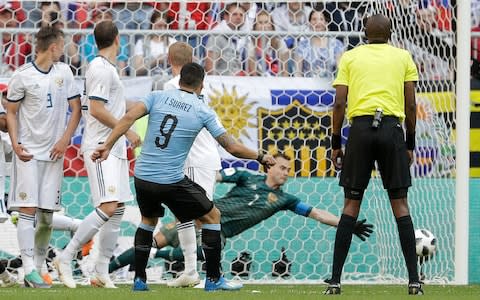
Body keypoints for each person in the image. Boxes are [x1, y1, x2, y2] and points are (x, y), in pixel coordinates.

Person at [91, 62, 275, 292]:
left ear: (179, 80)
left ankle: (139, 280)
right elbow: (233, 148)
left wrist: (107, 145)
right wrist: (260, 156)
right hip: (170, 181)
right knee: (213, 216)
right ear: (202, 85)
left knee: (148, 221)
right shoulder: (202, 110)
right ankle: (214, 279)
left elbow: (128, 118)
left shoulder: (156, 96)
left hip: (143, 176)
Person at [108, 153, 374, 275]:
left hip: (219, 232)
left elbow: (317, 214)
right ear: (271, 167)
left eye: (287, 170)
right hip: (201, 217)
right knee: (154, 240)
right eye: (282, 167)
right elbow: (214, 176)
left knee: (211, 251)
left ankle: (159, 256)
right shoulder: (247, 178)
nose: (285, 172)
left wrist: (345, 223)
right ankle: (104, 269)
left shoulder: (284, 200)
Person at [325, 14, 421, 295]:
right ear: (391, 32)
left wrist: (335, 142)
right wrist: (410, 144)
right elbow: (412, 105)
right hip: (391, 129)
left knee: (350, 205)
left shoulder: (351, 57)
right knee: (400, 205)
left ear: (364, 33)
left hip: (361, 130)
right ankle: (414, 281)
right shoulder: (403, 57)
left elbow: (339, 102)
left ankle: (335, 281)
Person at [54, 20, 140, 289]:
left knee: (118, 208)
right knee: (108, 207)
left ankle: (101, 269)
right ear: (117, 39)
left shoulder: (108, 69)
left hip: (113, 147)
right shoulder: (100, 69)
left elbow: (110, 105)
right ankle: (66, 257)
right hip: (101, 148)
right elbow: (97, 109)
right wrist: (127, 130)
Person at [5, 25, 81, 288]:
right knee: (27, 210)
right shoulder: (22, 76)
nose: (65, 49)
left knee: (47, 215)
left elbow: (76, 109)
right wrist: (16, 143)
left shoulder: (65, 72)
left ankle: (38, 266)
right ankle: (28, 269)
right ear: (53, 47)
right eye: (62, 45)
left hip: (55, 154)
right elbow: (11, 112)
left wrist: (64, 139)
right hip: (29, 153)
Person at [161, 42, 223, 288]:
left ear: (169, 59)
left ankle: (209, 274)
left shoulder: (171, 85)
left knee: (202, 216)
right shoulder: (202, 84)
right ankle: (190, 271)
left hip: (195, 158)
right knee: (183, 215)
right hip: (197, 157)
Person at [294, 9, 345, 78]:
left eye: (321, 19)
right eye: (314, 19)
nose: (317, 22)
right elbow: (297, 72)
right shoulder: (302, 45)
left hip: (330, 85)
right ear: (309, 23)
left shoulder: (336, 44)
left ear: (326, 23)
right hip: (308, 86)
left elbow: (341, 71)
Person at [204, 2, 248, 76]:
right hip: (223, 81)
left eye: (241, 15)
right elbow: (210, 68)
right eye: (234, 14)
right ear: (226, 17)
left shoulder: (245, 38)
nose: (238, 17)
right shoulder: (217, 36)